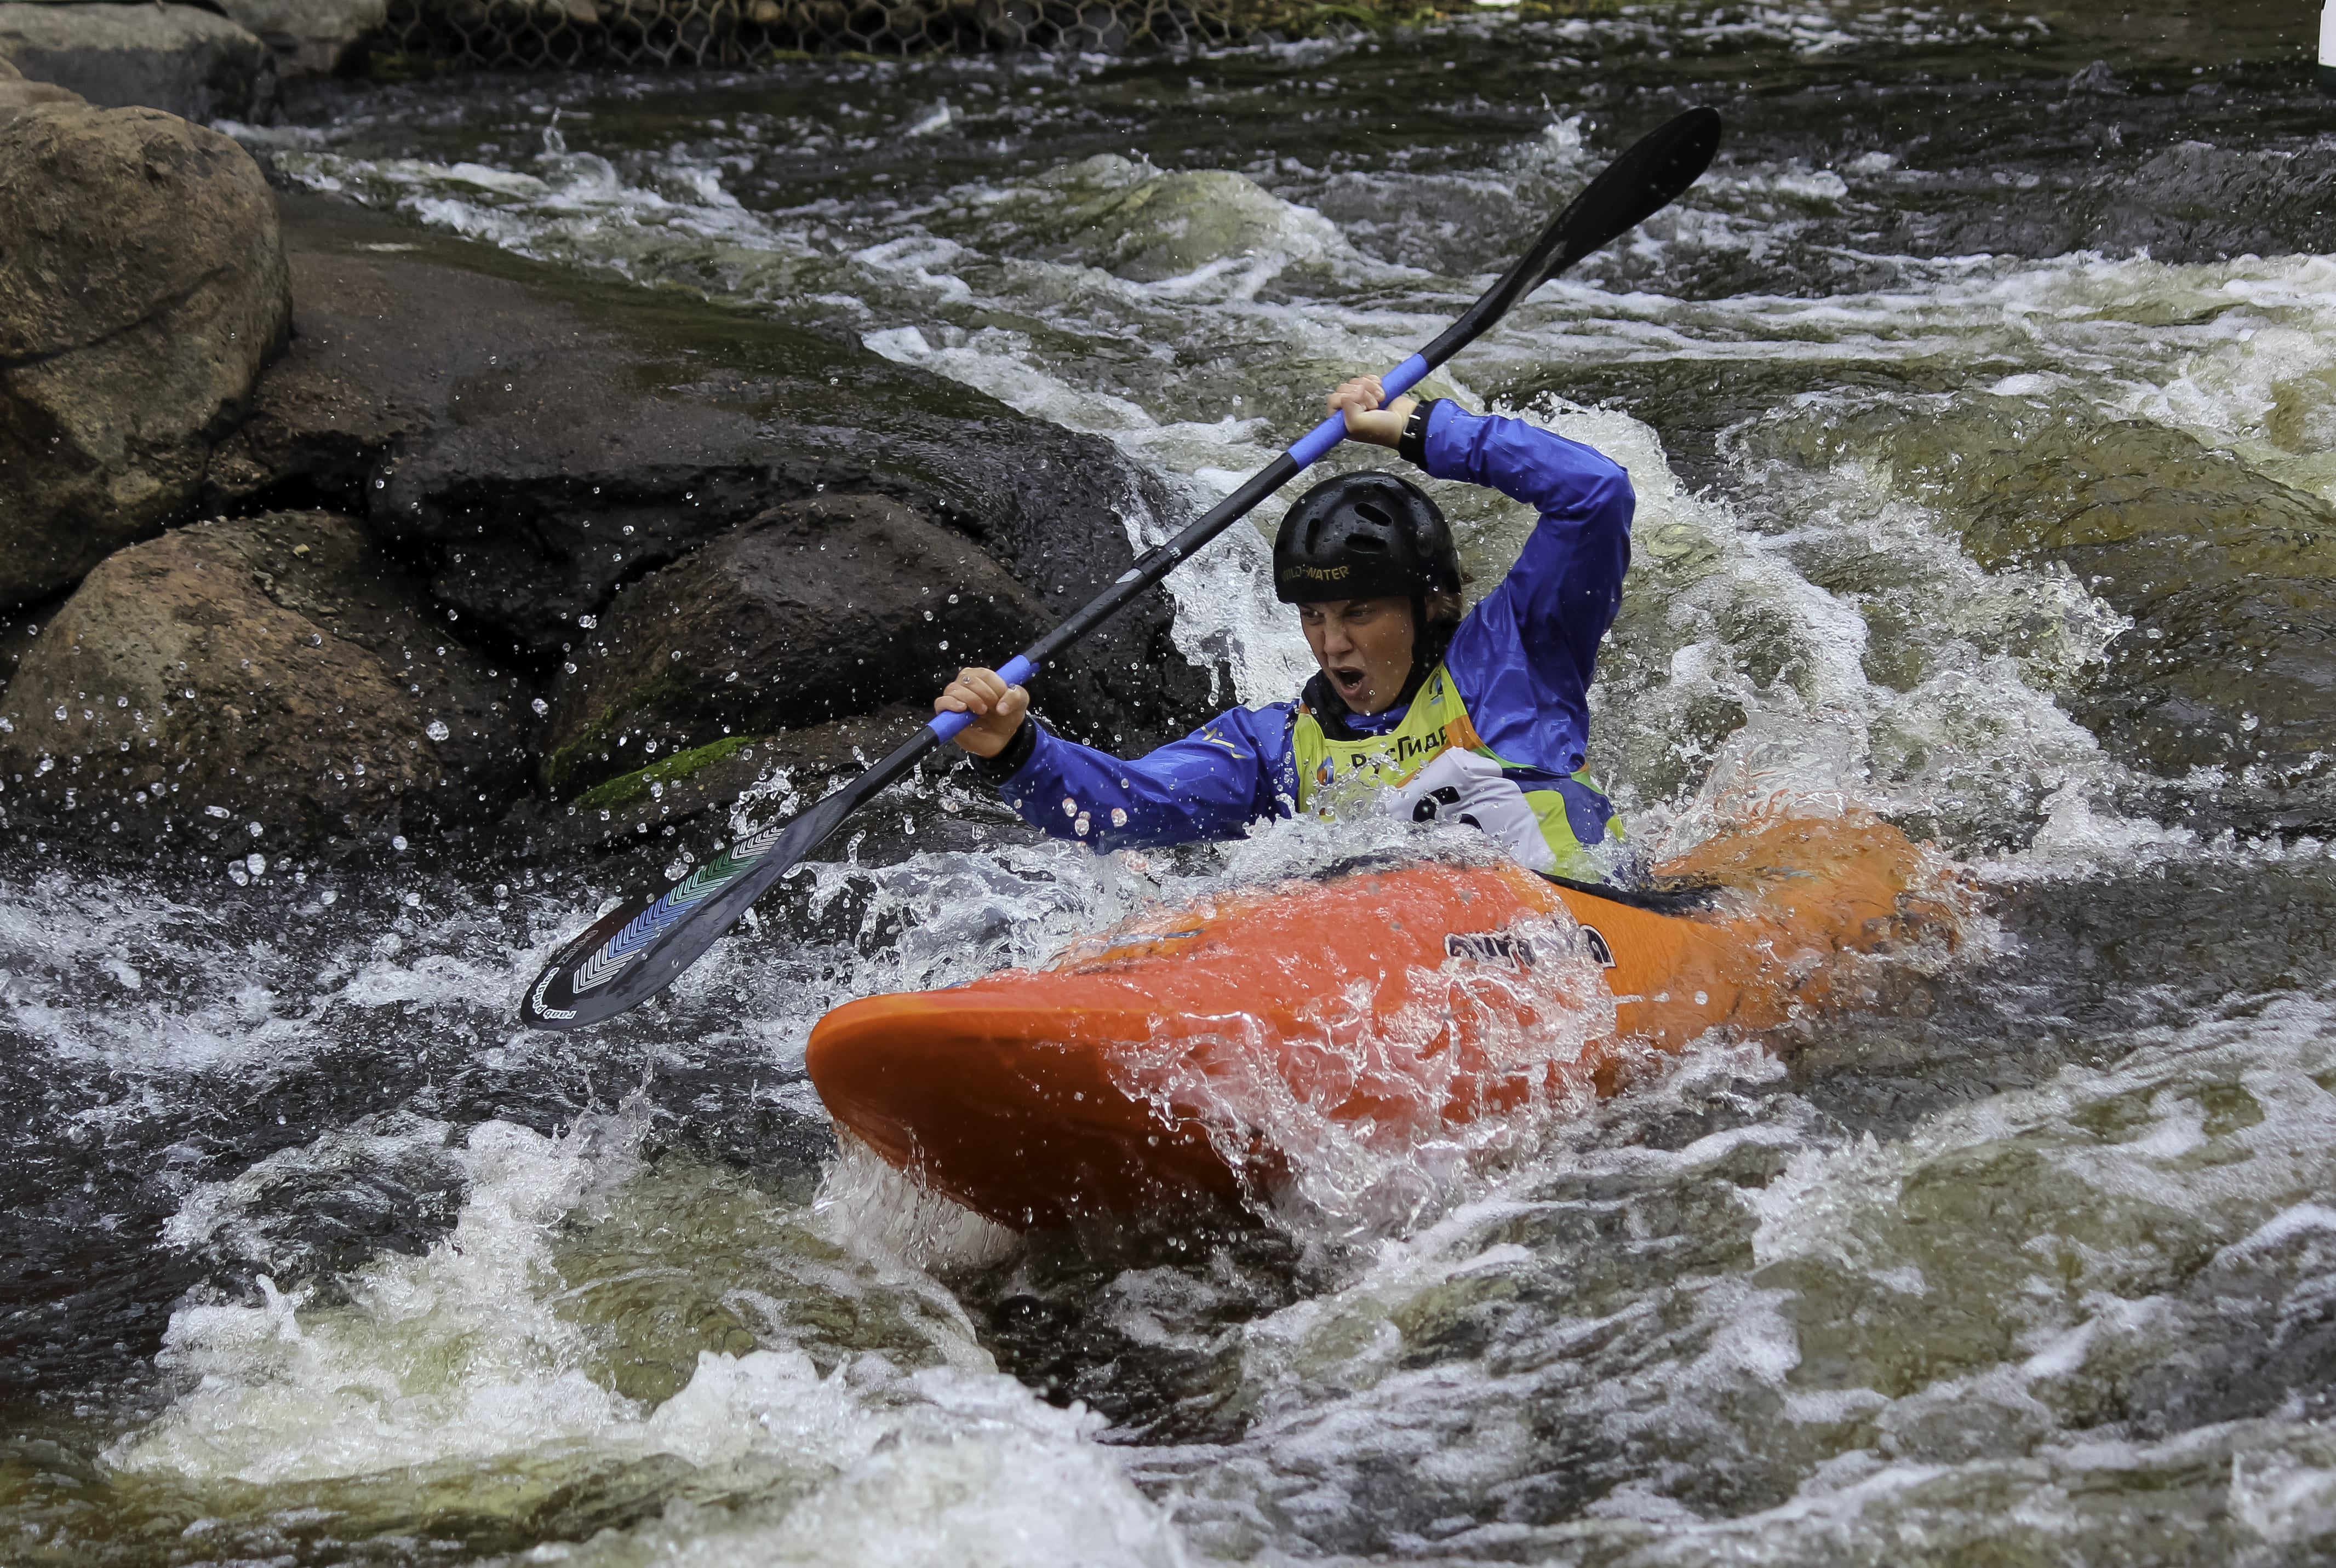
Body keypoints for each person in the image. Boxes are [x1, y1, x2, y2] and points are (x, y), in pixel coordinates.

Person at [935, 376, 1635, 883]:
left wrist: (1421, 429)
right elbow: (1124, 804)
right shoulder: (1277, 750)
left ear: (1429, 605)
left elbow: (1595, 494)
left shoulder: (1516, 662)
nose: (1332, 644)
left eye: (1359, 613)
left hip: (1588, 927)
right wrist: (1015, 751)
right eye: (1313, 616)